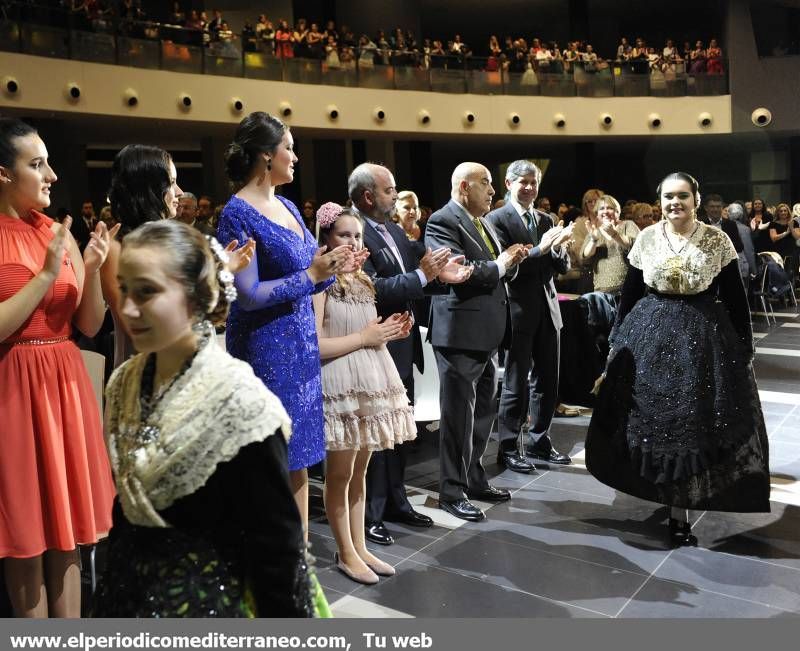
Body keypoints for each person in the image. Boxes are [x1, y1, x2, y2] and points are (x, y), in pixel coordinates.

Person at [94, 220, 315, 617]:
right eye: (123, 289)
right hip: (126, 596)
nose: (126, 308)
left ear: (194, 298)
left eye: (146, 291)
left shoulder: (240, 404)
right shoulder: (123, 383)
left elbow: (277, 556)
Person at [586, 172, 770, 547]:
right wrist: (617, 344)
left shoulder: (718, 240)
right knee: (654, 420)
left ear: (696, 199)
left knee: (695, 419)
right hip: (649, 335)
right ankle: (668, 498)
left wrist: (744, 348)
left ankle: (682, 507)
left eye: (683, 196)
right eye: (669, 197)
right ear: (660, 201)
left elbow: (736, 300)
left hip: (702, 338)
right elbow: (630, 295)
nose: (675, 203)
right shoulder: (647, 238)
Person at [217, 112, 355, 539]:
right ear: (264, 156)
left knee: (298, 460)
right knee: (270, 460)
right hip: (264, 349)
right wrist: (312, 276)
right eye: (289, 148)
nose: (295, 157)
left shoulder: (290, 205)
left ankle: (298, 561)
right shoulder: (236, 214)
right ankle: (269, 564)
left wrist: (334, 267)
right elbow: (249, 294)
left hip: (300, 347)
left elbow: (311, 273)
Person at [0, 118, 116, 617]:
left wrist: (89, 268)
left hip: (65, 383)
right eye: (36, 164)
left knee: (68, 532)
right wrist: (47, 273)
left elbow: (88, 322)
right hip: (13, 387)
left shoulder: (60, 232)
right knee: (25, 536)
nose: (51, 175)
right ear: (3, 173)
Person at [350, 164, 468, 544]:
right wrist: (422, 277)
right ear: (368, 196)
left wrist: (440, 275)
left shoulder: (393, 229)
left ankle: (397, 500)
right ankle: (372, 512)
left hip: (400, 344)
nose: (396, 198)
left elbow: (422, 268)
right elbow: (373, 288)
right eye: (390, 191)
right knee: (375, 434)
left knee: (399, 431)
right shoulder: (354, 233)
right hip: (373, 343)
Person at [313, 203, 416, 584]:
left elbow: (365, 328)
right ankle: (345, 552)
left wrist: (387, 331)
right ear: (326, 238)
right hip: (339, 381)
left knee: (361, 471)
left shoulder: (363, 280)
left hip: (371, 376)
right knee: (339, 474)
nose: (353, 242)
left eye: (357, 235)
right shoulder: (321, 282)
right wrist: (365, 337)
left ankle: (359, 546)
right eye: (344, 234)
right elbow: (316, 345)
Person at [424, 162, 530, 521]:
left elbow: (495, 269)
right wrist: (501, 264)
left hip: (487, 331)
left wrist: (510, 262)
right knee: (458, 416)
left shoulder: (483, 222)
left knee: (483, 411)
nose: (491, 190)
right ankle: (451, 491)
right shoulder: (442, 220)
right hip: (459, 334)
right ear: (465, 186)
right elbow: (456, 271)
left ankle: (474, 477)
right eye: (486, 183)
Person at [486, 160, 573, 473]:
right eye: (523, 182)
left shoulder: (546, 218)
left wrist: (560, 248)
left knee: (548, 380)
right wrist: (541, 248)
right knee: (515, 381)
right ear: (509, 184)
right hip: (518, 309)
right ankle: (508, 446)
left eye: (534, 182)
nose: (530, 188)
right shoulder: (495, 219)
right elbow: (506, 268)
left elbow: (560, 267)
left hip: (549, 309)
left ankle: (540, 440)